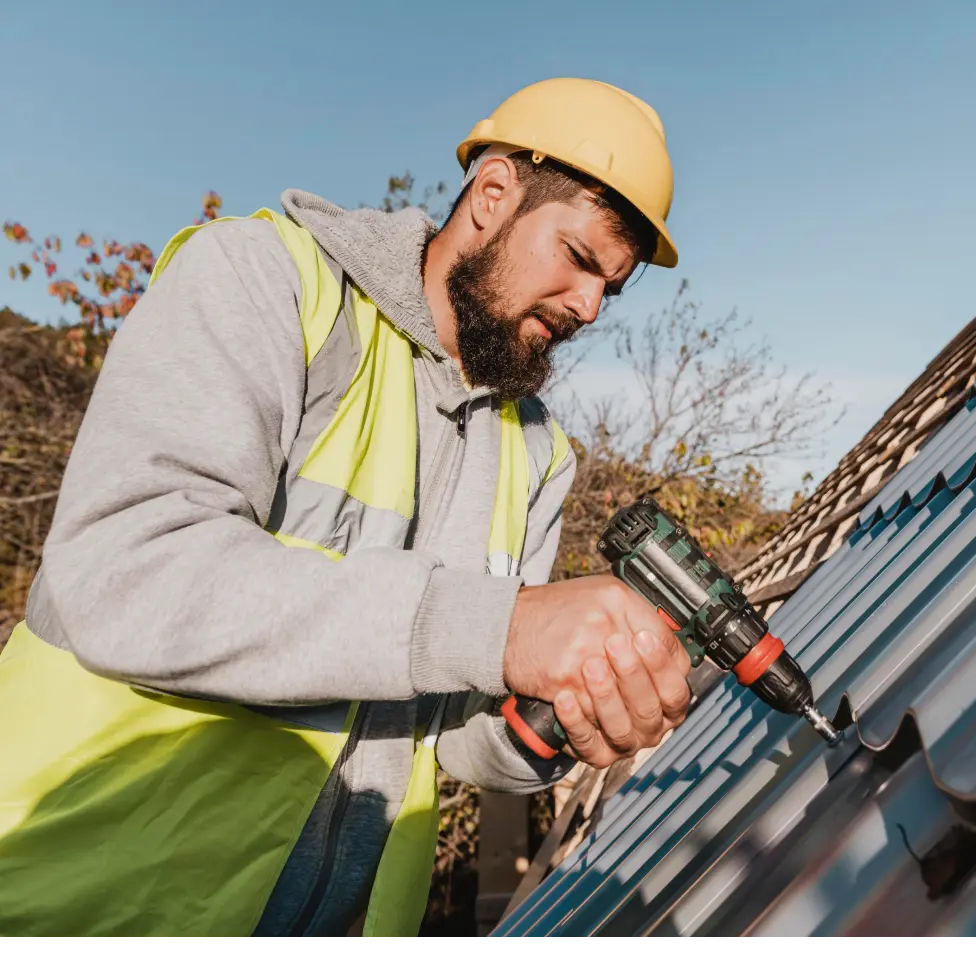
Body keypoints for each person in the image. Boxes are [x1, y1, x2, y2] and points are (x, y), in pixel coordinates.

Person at [0, 77, 690, 941]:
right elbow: (126, 572)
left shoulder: (537, 451)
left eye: (610, 288)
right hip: (73, 906)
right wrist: (503, 626)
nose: (589, 307)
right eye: (580, 259)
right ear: (494, 195)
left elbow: (454, 735)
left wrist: (559, 713)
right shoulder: (265, 281)